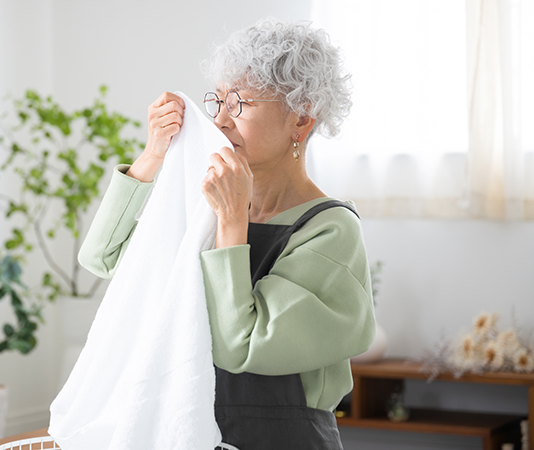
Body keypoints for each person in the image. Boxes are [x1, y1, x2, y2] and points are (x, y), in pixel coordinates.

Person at [78, 18, 375, 449]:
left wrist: (232, 223)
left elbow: (244, 345)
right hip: (193, 432)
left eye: (240, 104)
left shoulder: (330, 230)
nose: (219, 121)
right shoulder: (210, 206)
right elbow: (103, 257)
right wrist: (151, 157)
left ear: (301, 120)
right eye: (216, 101)